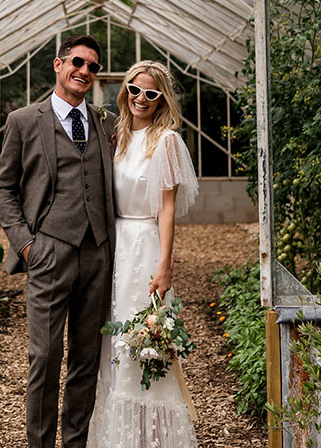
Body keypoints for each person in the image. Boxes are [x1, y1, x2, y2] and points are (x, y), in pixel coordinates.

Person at [0, 34, 117, 448]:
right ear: (58, 65)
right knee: (44, 359)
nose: (85, 71)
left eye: (93, 67)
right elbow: (3, 188)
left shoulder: (105, 122)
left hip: (97, 253)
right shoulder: (25, 120)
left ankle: (75, 444)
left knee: (86, 360)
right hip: (48, 251)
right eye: (78, 63)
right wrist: (27, 244)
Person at [86, 60, 200, 448]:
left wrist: (165, 265)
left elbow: (166, 208)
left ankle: (151, 439)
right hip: (115, 246)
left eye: (151, 93)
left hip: (145, 244)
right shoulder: (114, 134)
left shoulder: (165, 140)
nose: (141, 98)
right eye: (135, 89)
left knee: (144, 341)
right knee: (114, 343)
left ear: (160, 99)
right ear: (126, 90)